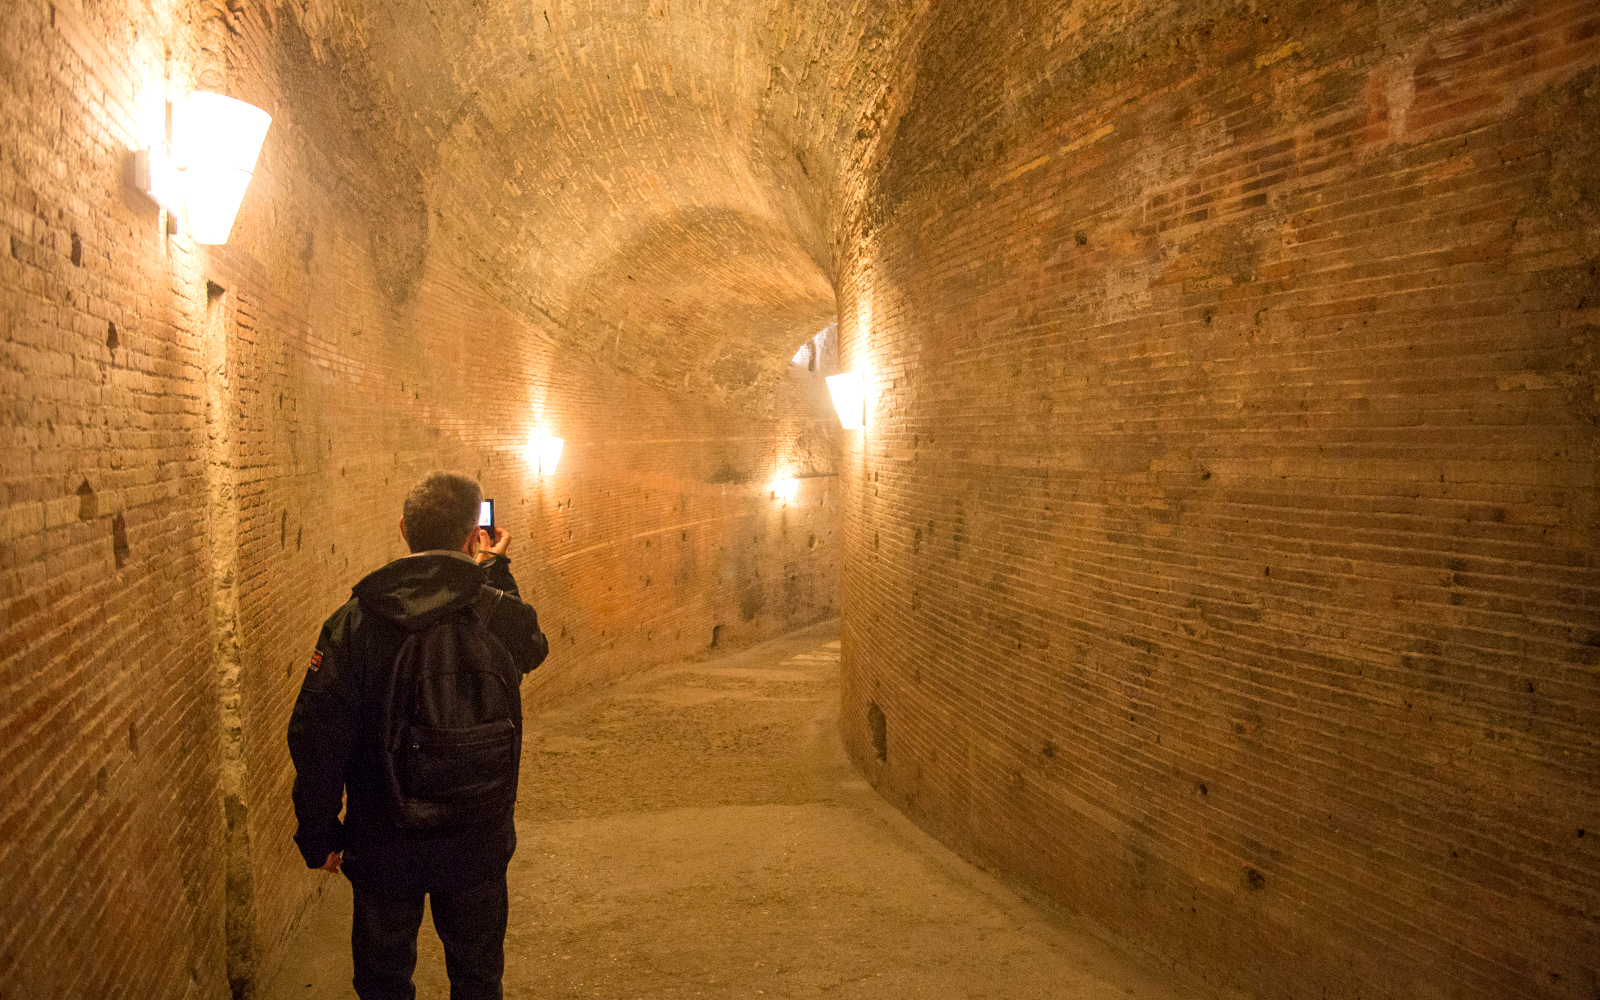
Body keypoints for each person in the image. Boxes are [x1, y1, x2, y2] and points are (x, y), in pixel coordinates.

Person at [288, 471, 549, 1000]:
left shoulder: (355, 622)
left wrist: (320, 832)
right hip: (477, 836)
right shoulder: (499, 614)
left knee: (383, 982)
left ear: (403, 529)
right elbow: (530, 649)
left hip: (383, 836)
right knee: (477, 979)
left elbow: (318, 735)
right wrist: (495, 569)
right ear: (473, 534)